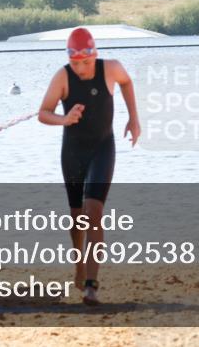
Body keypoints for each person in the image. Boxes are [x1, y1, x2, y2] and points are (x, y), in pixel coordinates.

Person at [38, 27, 141, 305]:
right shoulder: (63, 76)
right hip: (72, 152)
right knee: (76, 217)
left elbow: (127, 83)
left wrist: (133, 118)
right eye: (75, 63)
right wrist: (64, 118)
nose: (81, 68)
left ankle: (92, 284)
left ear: (94, 56)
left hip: (102, 148)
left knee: (93, 211)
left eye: (85, 62)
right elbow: (43, 113)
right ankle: (79, 265)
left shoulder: (111, 68)